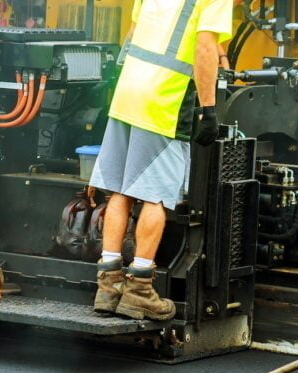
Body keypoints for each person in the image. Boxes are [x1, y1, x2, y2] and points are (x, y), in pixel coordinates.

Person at [90, 0, 234, 321]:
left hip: (127, 91)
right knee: (156, 194)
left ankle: (108, 285)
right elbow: (204, 48)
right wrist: (208, 108)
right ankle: (140, 289)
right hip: (164, 101)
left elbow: (134, 32)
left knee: (119, 190)